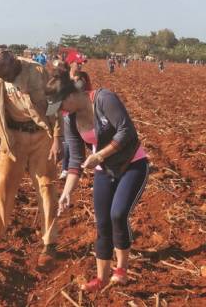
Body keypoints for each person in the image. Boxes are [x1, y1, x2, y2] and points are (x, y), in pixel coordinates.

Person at [45, 67, 149, 291]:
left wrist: (100, 155)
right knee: (102, 224)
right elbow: (75, 160)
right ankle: (101, 278)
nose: (60, 111)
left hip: (132, 165)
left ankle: (121, 269)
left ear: (71, 96)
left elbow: (126, 131)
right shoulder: (69, 119)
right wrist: (66, 193)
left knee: (118, 214)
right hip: (104, 171)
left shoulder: (104, 99)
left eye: (61, 105)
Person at [0, 48, 62, 269]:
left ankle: (50, 244)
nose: (5, 80)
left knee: (46, 187)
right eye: (1, 77)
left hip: (41, 137)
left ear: (14, 61)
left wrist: (57, 137)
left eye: (7, 75)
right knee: (4, 187)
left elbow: (55, 103)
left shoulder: (37, 72)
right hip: (12, 139)